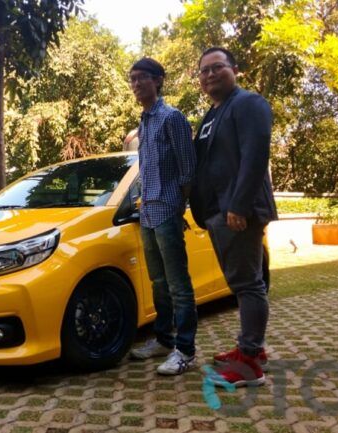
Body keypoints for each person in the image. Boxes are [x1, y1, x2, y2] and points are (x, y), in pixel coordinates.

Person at [190, 47, 278, 387]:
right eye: (204, 71)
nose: (210, 74)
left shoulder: (248, 103)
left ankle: (249, 363)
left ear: (235, 70)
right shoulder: (212, 114)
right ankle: (252, 349)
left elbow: (255, 156)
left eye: (217, 67)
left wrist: (239, 206)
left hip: (238, 211)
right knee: (241, 282)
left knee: (248, 283)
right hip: (218, 212)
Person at [127, 57, 198, 376]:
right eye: (132, 79)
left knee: (178, 284)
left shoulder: (172, 118)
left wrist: (176, 206)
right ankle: (163, 340)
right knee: (158, 282)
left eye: (142, 77)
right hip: (147, 214)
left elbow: (188, 169)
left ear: (158, 80)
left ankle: (186, 350)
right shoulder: (143, 123)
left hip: (167, 211)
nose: (136, 84)